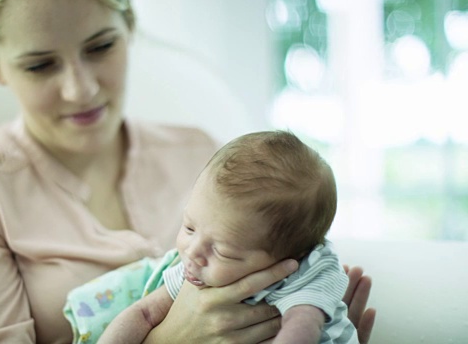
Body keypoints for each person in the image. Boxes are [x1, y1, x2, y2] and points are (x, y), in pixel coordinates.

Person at [0, 0, 376, 343]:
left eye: (100, 47)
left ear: (129, 25)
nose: (81, 89)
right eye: (41, 65)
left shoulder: (204, 157)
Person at [65, 131, 357, 344]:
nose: (192, 252)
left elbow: (302, 326)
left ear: (289, 258)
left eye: (225, 252)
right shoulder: (194, 270)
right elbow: (143, 314)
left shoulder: (310, 271)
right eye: (189, 227)